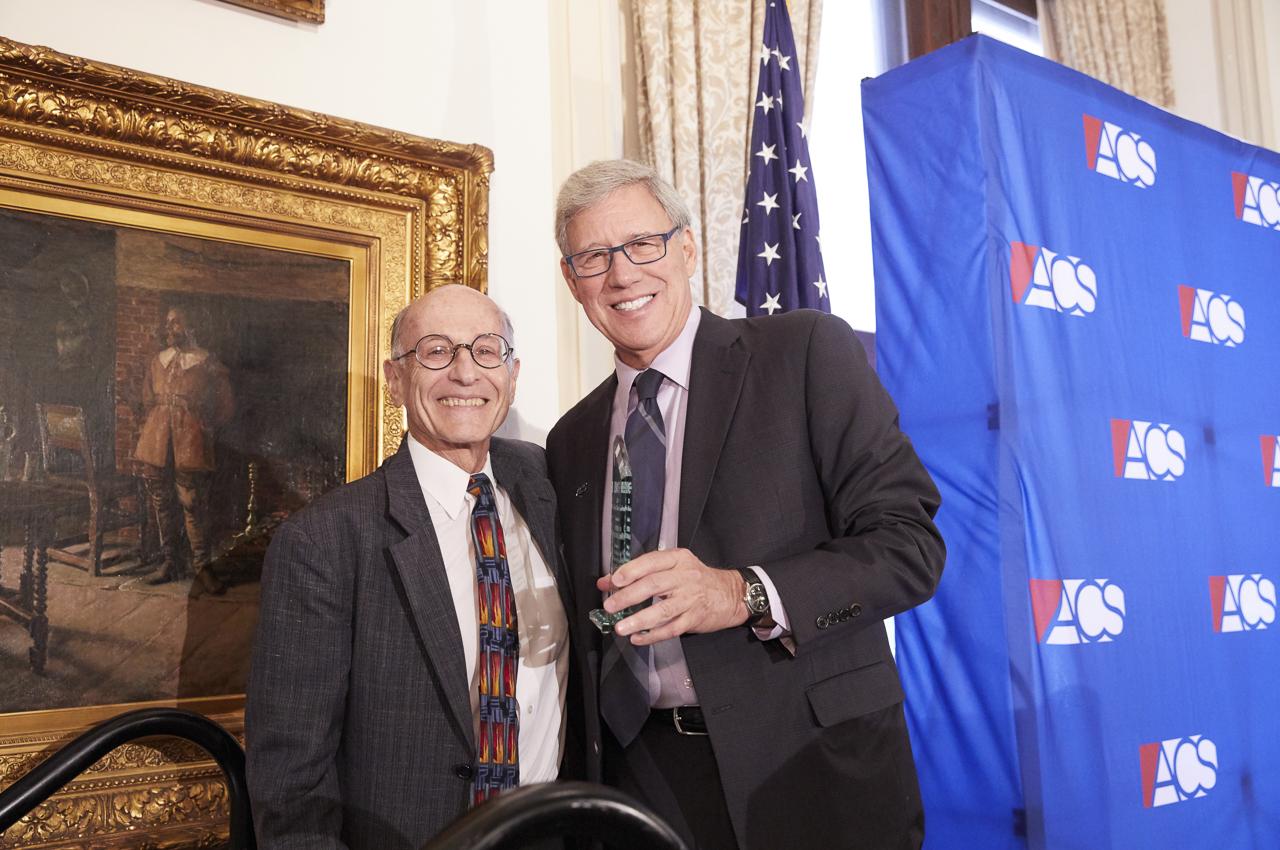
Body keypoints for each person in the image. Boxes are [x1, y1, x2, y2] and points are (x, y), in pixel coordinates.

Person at [546, 160, 946, 850]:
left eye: (643, 244)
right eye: (593, 257)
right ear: (571, 279)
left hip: (807, 769)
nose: (622, 274)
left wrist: (743, 595)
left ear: (689, 248)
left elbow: (910, 546)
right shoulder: (571, 438)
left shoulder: (804, 352)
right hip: (638, 781)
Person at [245, 285, 570, 850]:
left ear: (512, 375)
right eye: (436, 351)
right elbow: (290, 783)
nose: (465, 374)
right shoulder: (324, 540)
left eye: (486, 350)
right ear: (395, 379)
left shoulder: (546, 485)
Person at [133, 305, 234, 595]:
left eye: (176, 323)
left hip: (190, 442)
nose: (170, 328)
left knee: (192, 503)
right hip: (157, 442)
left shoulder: (207, 363)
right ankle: (170, 562)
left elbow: (226, 406)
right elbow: (146, 399)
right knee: (162, 503)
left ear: (192, 327)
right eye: (168, 322)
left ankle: (202, 567)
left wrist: (205, 425)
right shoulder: (157, 361)